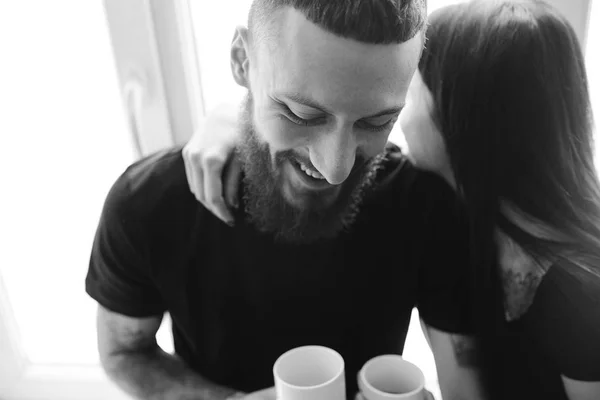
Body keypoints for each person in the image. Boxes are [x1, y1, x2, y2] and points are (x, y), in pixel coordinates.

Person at [184, 1, 600, 399]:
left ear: (465, 119)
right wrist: (242, 116)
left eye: (385, 114)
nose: (336, 167)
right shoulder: (465, 222)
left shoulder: (580, 293)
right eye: (302, 114)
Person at [86, 1, 484, 400]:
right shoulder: (148, 204)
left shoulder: (424, 207)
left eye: (375, 122)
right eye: (300, 114)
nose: (335, 168)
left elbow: (465, 382)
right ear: (243, 61)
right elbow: (124, 352)